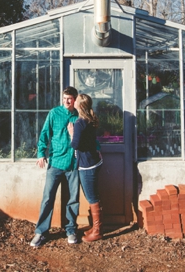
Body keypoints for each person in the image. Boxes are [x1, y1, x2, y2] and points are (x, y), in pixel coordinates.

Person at [30, 87, 81, 248]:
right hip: (56, 163)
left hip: (73, 165)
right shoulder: (54, 113)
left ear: (75, 99)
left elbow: (89, 136)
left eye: (70, 98)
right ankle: (41, 231)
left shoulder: (79, 115)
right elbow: (45, 134)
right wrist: (40, 153)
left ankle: (71, 229)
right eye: (65, 98)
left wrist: (97, 149)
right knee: (48, 198)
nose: (67, 101)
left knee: (73, 199)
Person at [69, 93, 105, 242]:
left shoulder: (79, 123)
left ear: (80, 105)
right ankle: (95, 227)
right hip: (93, 161)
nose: (73, 101)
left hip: (87, 165)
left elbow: (75, 145)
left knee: (92, 197)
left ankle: (97, 231)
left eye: (75, 100)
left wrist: (71, 133)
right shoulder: (89, 120)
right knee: (93, 195)